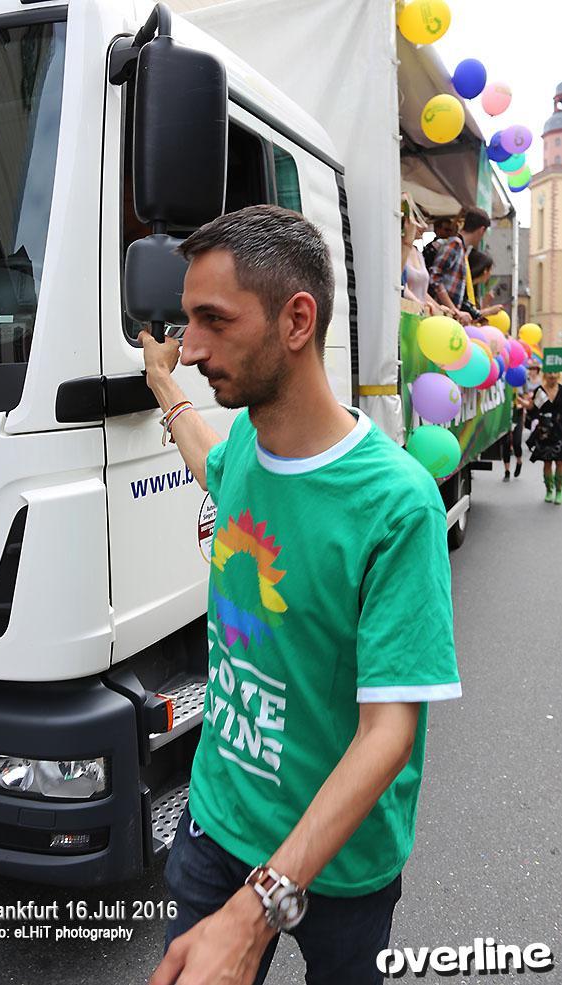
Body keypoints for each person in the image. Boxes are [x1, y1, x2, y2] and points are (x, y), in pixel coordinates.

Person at [141, 205, 461, 985]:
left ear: (295, 320)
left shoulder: (396, 504)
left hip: (340, 866)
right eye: (187, 322)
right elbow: (212, 465)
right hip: (217, 821)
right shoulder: (249, 435)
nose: (193, 348)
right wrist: (163, 388)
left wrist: (260, 905)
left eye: (211, 320)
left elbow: (389, 732)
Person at [428, 208, 492, 326]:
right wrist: (454, 310)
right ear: (481, 230)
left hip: (445, 315)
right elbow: (435, 278)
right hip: (441, 316)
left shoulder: (460, 247)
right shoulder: (455, 244)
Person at [523, 372, 562, 503]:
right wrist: (526, 404)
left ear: (558, 375)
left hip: (560, 431)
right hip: (545, 431)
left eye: (555, 373)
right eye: (550, 373)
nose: (552, 376)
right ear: (546, 374)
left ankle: (559, 491)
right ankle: (549, 490)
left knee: (560, 462)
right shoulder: (540, 391)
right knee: (547, 461)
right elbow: (533, 409)